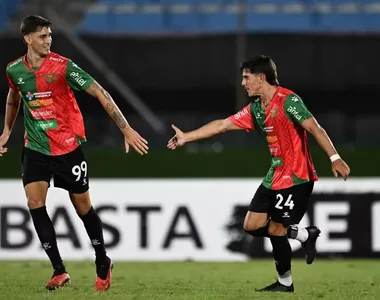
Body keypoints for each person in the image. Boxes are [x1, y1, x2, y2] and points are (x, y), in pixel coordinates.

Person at [167, 54, 350, 292]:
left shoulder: (288, 101)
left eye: (246, 78)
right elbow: (222, 125)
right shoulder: (256, 108)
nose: (243, 83)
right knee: (251, 225)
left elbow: (314, 128)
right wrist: (187, 137)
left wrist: (334, 158)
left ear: (261, 78)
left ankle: (285, 283)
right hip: (274, 175)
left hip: (296, 177)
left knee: (275, 229)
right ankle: (305, 235)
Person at [0, 15, 149, 291]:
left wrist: (126, 129)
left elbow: (100, 91)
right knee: (34, 203)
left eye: (49, 35)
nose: (48, 40)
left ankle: (102, 259)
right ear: (28, 38)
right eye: (42, 36)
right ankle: (59, 270)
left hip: (67, 147)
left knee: (82, 207)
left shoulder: (63, 67)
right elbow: (14, 96)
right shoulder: (14, 70)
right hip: (35, 147)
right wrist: (6, 131)